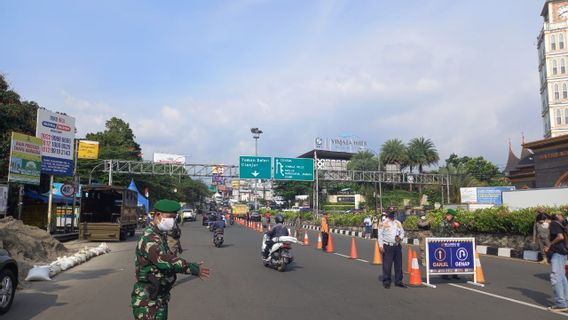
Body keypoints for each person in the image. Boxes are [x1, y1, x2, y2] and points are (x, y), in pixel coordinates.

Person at [131, 199, 210, 319]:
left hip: (158, 298)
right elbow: (165, 261)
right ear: (157, 215)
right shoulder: (150, 238)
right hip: (148, 302)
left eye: (174, 217)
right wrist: (191, 268)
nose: (172, 221)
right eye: (169, 217)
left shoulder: (160, 235)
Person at [545, 213, 568, 312]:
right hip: (563, 253)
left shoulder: (554, 224)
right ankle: (564, 302)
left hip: (557, 253)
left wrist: (550, 244)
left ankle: (561, 304)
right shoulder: (560, 224)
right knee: (562, 277)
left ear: (547, 219)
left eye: (544, 221)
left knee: (555, 277)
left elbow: (560, 237)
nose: (544, 224)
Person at [378, 210, 406, 289]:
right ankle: (386, 281)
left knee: (399, 265)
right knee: (387, 265)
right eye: (391, 213)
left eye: (394, 213)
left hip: (397, 246)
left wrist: (400, 238)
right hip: (387, 246)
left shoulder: (398, 223)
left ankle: (398, 281)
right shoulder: (383, 223)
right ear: (388, 214)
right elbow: (380, 235)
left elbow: (402, 232)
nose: (393, 214)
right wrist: (380, 246)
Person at [433, 209, 460, 279]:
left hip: (452, 242)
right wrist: (452, 225)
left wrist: (457, 226)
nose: (451, 217)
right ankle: (445, 274)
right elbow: (442, 232)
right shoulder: (442, 222)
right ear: (447, 215)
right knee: (446, 259)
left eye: (452, 216)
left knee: (454, 258)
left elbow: (455, 231)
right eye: (450, 216)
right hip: (444, 243)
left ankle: (455, 274)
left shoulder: (452, 222)